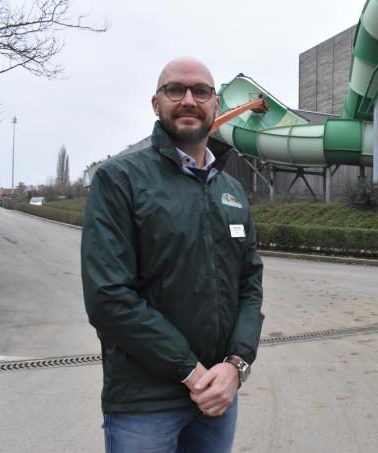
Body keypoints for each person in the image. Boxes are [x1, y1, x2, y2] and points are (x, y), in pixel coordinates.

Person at [81, 56, 264, 453]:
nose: (187, 100)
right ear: (155, 103)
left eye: (200, 91)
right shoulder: (120, 180)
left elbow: (250, 286)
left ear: (215, 105)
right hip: (144, 404)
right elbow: (108, 297)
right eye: (174, 90)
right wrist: (191, 371)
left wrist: (236, 366)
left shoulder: (231, 189)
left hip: (217, 397)